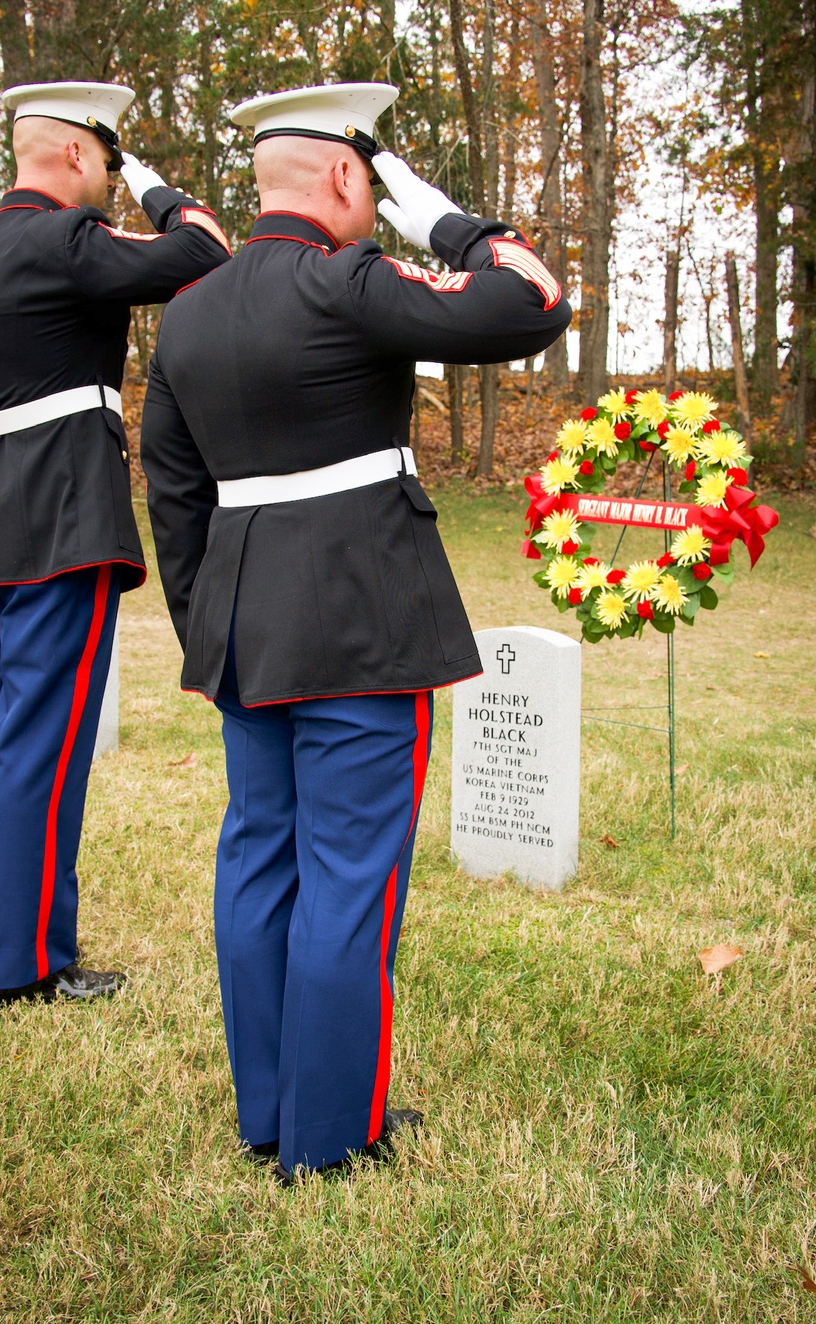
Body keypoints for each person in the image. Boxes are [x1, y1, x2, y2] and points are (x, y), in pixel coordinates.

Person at [139, 82, 572, 1180]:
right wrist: (442, 220)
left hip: (245, 630)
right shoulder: (350, 283)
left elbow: (174, 491)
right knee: (348, 875)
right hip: (362, 622)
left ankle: (269, 1115)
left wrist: (209, 630)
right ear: (346, 176)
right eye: (369, 185)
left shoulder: (185, 312)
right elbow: (532, 305)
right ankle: (330, 1137)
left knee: (261, 864)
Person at [0, 80, 231, 1004]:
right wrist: (161, 191)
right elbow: (202, 254)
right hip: (59, 518)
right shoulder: (66, 241)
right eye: (106, 161)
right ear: (74, 156)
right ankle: (24, 965)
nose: (107, 180)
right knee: (43, 747)